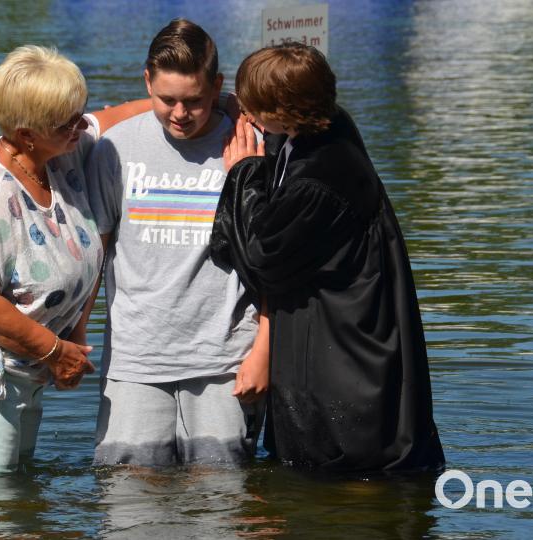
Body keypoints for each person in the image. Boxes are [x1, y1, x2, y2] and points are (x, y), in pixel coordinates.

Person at [0, 45, 150, 475]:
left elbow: (117, 115)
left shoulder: (63, 150)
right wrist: (56, 352)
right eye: (67, 122)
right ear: (26, 134)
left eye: (78, 114)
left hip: (23, 366)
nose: (80, 126)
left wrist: (216, 101)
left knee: (15, 502)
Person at [210, 42, 445, 473]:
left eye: (254, 106)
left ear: (286, 111)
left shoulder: (321, 176)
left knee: (347, 472)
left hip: (347, 358)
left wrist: (243, 173)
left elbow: (264, 255)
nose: (246, 111)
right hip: (335, 336)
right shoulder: (329, 127)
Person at [85, 19, 268, 466]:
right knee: (129, 506)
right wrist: (72, 335)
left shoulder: (249, 145)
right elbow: (97, 250)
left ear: (218, 86)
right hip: (135, 361)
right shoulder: (114, 148)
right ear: (147, 81)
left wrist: (265, 349)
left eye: (195, 101)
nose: (180, 114)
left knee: (222, 506)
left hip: (226, 361)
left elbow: (273, 263)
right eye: (166, 100)